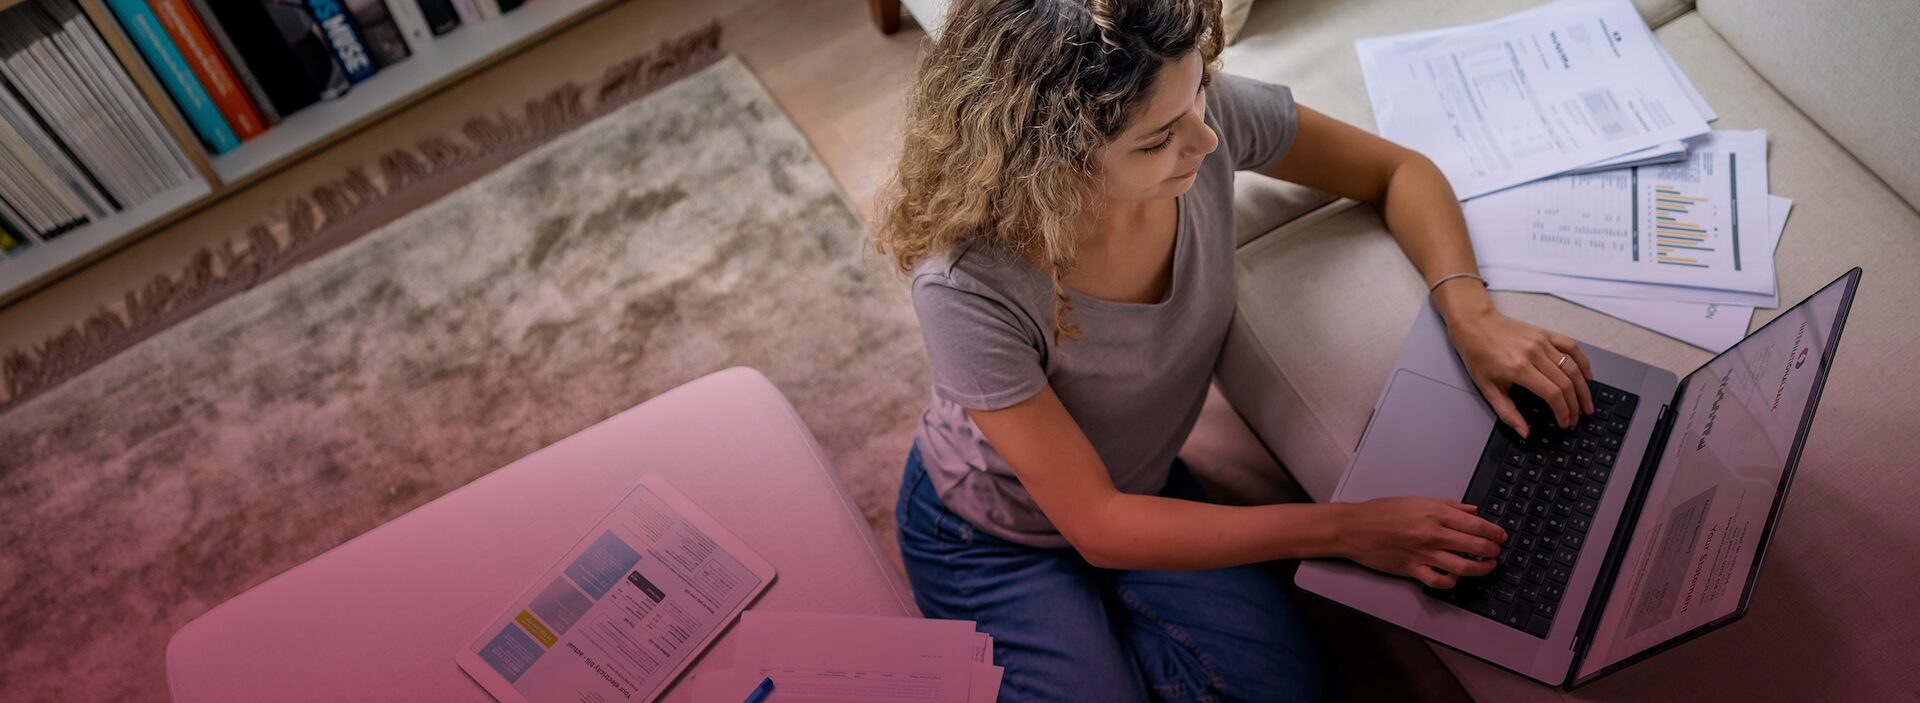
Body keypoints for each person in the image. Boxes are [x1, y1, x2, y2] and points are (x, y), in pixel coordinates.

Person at [874, 1, 1598, 700]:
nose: (1205, 141)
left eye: (1196, 98)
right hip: (987, 530)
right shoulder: (967, 286)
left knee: (1290, 688)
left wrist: (1468, 309)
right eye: (1157, 140)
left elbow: (1398, 170)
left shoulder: (1199, 119)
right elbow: (1096, 524)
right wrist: (1347, 528)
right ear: (1048, 160)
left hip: (1141, 486)